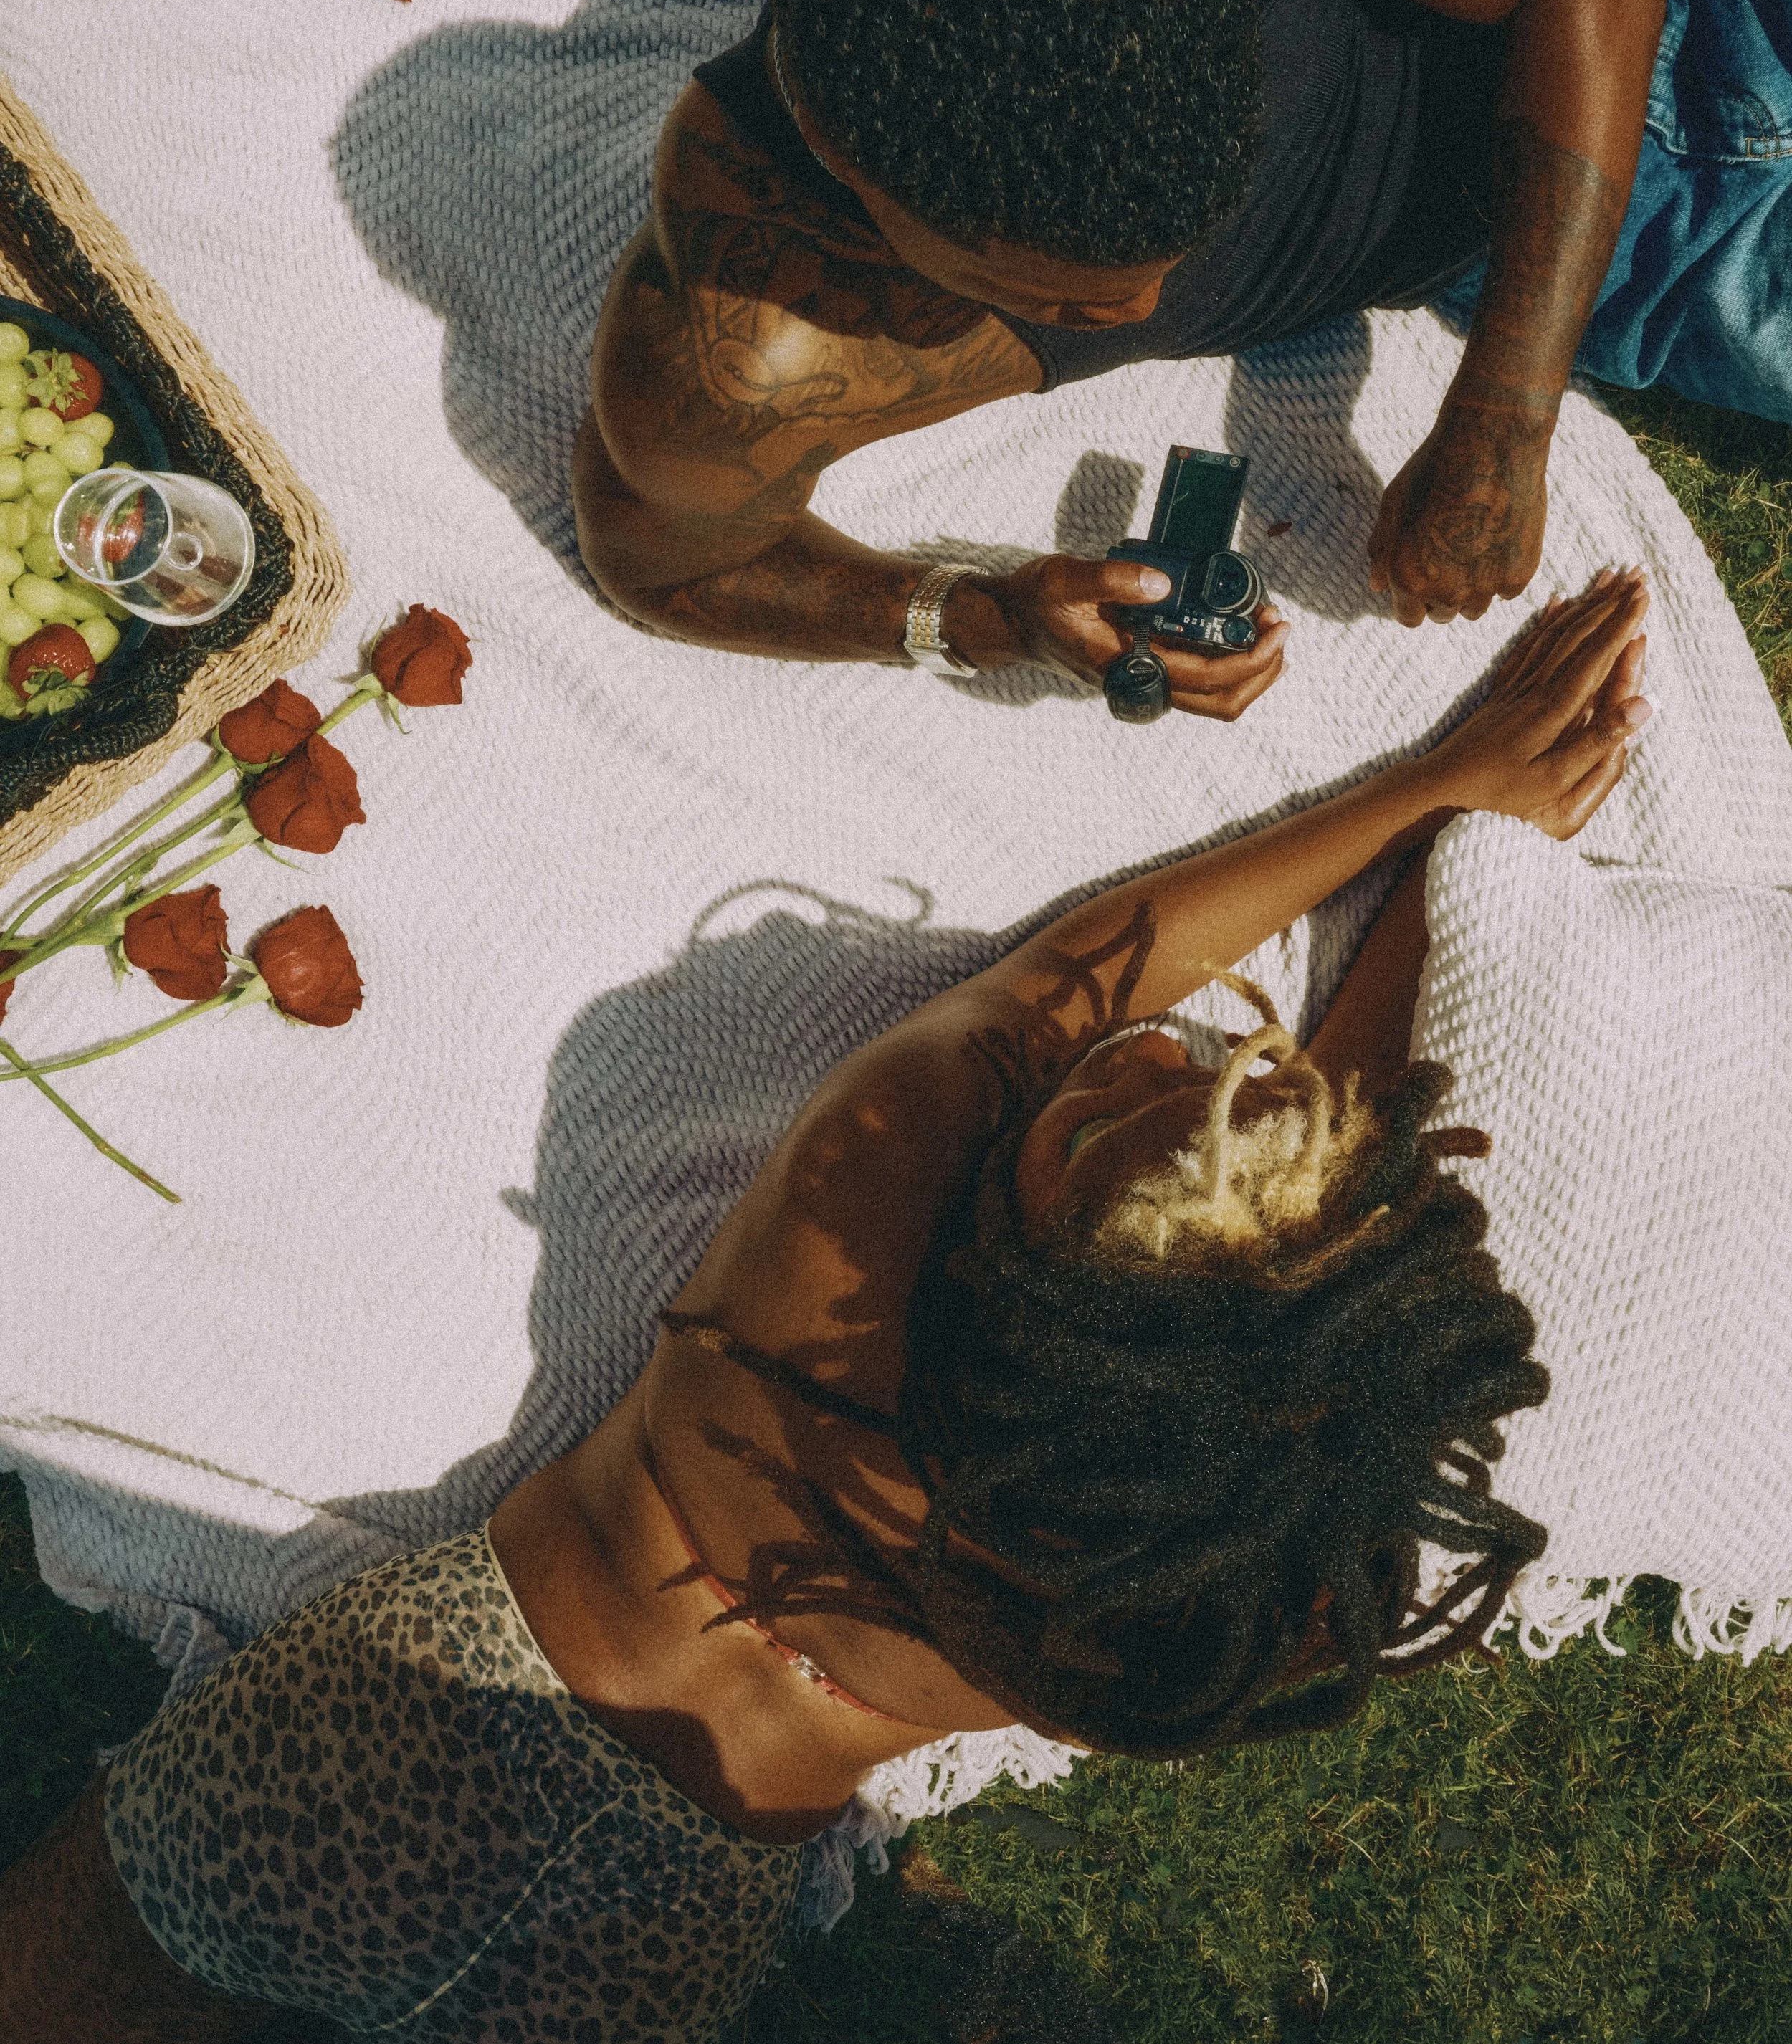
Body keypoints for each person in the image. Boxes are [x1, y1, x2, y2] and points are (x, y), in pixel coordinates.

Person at [0, 569, 1652, 2040]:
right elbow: (1321, 1188)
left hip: (368, 1758)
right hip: (653, 1939)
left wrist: (1429, 782)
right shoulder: (1171, 1586)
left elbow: (1065, 979)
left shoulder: (834, 1255)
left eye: (1094, 1125)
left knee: (69, 1993)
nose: (1156, 1052)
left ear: (1013, 1294)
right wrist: (1458, 852)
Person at [573, 0, 1791, 714]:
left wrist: (1505, 415)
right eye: (1062, 301)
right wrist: (996, 617)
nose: (1143, 310)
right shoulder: (741, 350)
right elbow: (660, 560)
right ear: (853, 172)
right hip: (1641, 239)